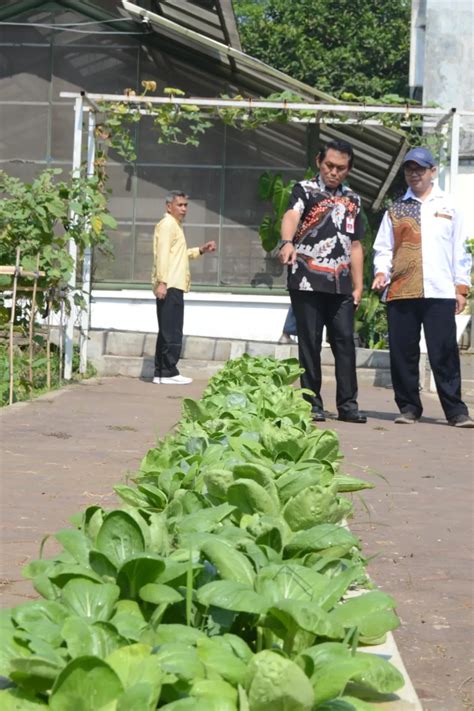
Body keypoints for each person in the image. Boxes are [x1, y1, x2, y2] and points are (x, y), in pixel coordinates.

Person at [372, 146, 473, 427]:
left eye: (420, 168)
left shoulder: (449, 206)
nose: (414, 173)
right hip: (401, 289)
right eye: (409, 168)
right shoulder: (396, 209)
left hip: (440, 290)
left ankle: (456, 412)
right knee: (403, 352)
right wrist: (381, 272)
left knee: (444, 353)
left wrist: (461, 287)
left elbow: (461, 250)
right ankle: (408, 408)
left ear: (433, 171)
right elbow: (383, 248)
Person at [278, 139, 366, 423]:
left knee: (345, 343)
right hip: (306, 281)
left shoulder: (353, 200)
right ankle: (311, 403)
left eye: (341, 168)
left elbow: (355, 245)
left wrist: (358, 284)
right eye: (329, 165)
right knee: (310, 343)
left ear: (348, 170)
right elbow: (291, 215)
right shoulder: (304, 190)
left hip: (340, 285)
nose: (334, 172)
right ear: (319, 162)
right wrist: (287, 242)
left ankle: (348, 406)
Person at [152, 190, 216, 385]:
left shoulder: (175, 226)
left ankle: (163, 372)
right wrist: (162, 282)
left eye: (185, 205)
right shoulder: (167, 225)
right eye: (179, 205)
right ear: (168, 206)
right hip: (169, 284)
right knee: (170, 330)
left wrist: (201, 250)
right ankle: (168, 371)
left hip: (174, 283)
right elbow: (162, 255)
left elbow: (178, 255)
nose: (183, 209)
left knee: (169, 328)